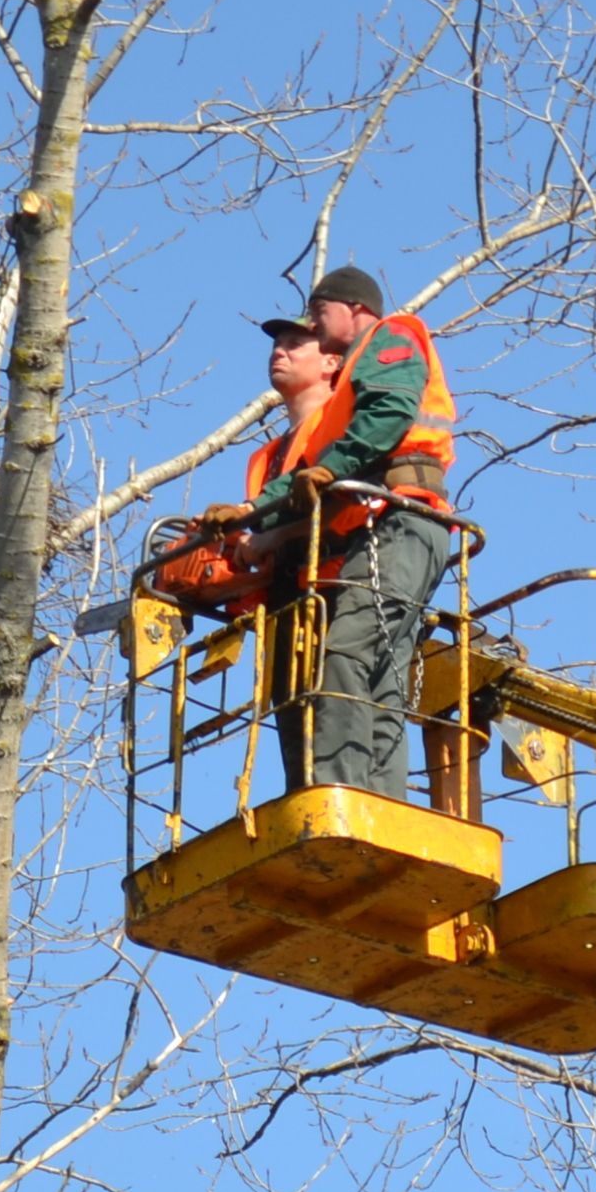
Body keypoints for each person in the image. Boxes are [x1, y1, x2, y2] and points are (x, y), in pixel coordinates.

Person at [241, 262, 456, 800]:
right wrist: (252, 513)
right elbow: (307, 478)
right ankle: (381, 802)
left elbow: (386, 416)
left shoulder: (391, 337)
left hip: (402, 520)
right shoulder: (339, 400)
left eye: (318, 313)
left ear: (355, 309)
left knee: (346, 655)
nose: (312, 325)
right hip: (384, 525)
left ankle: (343, 795)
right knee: (380, 673)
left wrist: (331, 471)